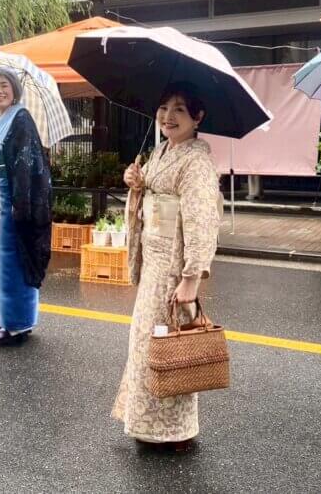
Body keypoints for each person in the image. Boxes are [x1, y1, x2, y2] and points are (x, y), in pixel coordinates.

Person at [112, 81, 223, 451]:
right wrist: (136, 183)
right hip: (153, 260)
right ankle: (149, 424)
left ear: (198, 117)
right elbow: (150, 195)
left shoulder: (196, 161)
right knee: (148, 342)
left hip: (173, 265)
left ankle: (174, 430)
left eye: (179, 109)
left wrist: (191, 277)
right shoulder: (161, 151)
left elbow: (201, 220)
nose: (168, 116)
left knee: (170, 348)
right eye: (163, 107)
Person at [0, 68, 52, 345]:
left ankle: (17, 324)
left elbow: (25, 163)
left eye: (4, 85)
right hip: (1, 199)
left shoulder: (21, 118)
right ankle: (2, 318)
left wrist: (20, 205)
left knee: (12, 262)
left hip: (15, 200)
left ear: (14, 89)